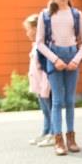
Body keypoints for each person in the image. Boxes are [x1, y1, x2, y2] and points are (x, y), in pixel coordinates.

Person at [36, 0, 82, 155]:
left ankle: (71, 138)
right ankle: (58, 140)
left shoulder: (76, 14)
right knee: (57, 102)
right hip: (54, 59)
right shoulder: (45, 15)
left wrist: (76, 60)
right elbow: (40, 43)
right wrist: (55, 59)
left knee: (70, 101)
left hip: (72, 58)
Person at [24, 14, 54, 147]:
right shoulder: (35, 45)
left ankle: (53, 134)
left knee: (50, 110)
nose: (27, 33)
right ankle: (46, 132)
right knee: (45, 111)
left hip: (45, 86)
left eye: (28, 29)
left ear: (36, 29)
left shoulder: (43, 46)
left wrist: (45, 86)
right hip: (38, 86)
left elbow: (45, 69)